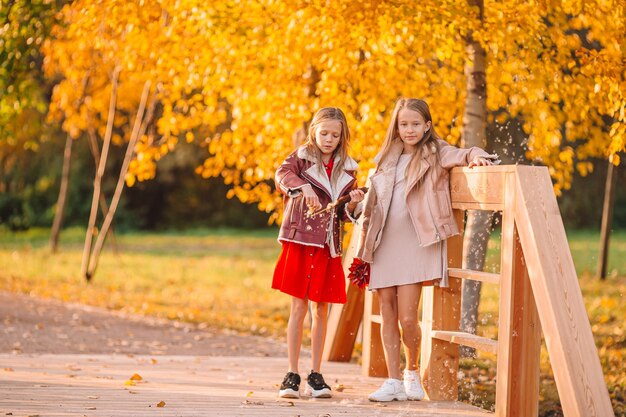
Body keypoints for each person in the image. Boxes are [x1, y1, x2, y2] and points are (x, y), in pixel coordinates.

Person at [354, 98, 497, 402]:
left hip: (416, 244)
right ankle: (392, 381)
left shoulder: (436, 152)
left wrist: (475, 155)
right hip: (383, 243)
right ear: (397, 126)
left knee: (408, 316)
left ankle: (411, 372)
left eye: (415, 124)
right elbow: (376, 201)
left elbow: (459, 154)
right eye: (404, 124)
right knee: (388, 312)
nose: (409, 130)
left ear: (427, 126)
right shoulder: (385, 158)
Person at [272, 107, 365, 399]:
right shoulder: (301, 158)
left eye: (335, 135)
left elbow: (344, 214)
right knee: (298, 306)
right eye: (324, 133)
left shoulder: (348, 169)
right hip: (301, 240)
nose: (328, 139)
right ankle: (291, 373)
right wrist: (303, 188)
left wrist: (354, 203)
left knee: (320, 309)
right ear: (314, 131)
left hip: (327, 244)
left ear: (342, 137)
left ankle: (316, 374)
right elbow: (281, 175)